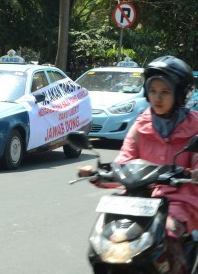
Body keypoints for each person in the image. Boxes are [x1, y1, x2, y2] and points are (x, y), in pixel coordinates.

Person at [79, 55, 198, 273]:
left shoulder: (195, 127)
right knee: (107, 237)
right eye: (153, 91)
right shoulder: (141, 124)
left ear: (179, 95)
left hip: (180, 201)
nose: (157, 98)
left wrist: (195, 173)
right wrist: (99, 173)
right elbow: (124, 160)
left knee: (168, 233)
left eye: (165, 92)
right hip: (138, 201)